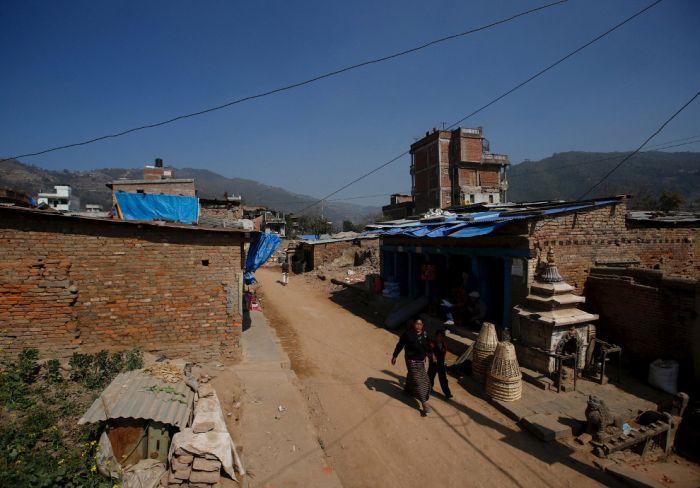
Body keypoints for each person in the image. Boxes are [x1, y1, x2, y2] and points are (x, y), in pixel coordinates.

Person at [391, 318, 433, 415]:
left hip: (421, 362)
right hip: (411, 360)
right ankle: (424, 403)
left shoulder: (425, 334)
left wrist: (431, 354)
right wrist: (395, 355)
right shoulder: (408, 334)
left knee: (425, 380)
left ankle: (407, 390)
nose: (418, 326)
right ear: (413, 324)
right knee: (418, 381)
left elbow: (428, 345)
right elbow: (400, 345)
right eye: (417, 324)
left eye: (420, 324)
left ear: (423, 325)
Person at [428, 329, 452, 399]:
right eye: (438, 336)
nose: (439, 338)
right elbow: (428, 352)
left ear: (443, 337)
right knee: (430, 376)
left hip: (441, 363)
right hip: (433, 363)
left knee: (443, 378)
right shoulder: (432, 343)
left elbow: (444, 354)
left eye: (441, 336)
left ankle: (447, 393)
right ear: (435, 336)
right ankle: (429, 388)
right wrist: (431, 356)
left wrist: (443, 362)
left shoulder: (444, 345)